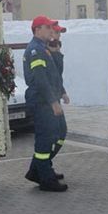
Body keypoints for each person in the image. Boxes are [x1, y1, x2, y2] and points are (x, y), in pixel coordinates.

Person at [23, 15, 67, 192]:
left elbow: (53, 75)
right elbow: (41, 79)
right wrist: (52, 102)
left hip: (47, 100)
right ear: (37, 29)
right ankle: (46, 179)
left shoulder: (43, 48)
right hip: (42, 102)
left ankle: (38, 171)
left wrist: (60, 93)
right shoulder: (36, 50)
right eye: (47, 28)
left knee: (55, 134)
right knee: (45, 140)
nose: (51, 31)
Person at [47, 22, 70, 176]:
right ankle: (43, 167)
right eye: (57, 33)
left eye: (60, 34)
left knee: (61, 133)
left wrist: (62, 92)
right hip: (49, 101)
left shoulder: (55, 51)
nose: (59, 36)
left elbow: (57, 76)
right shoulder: (46, 52)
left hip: (56, 97)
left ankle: (45, 165)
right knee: (54, 134)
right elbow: (47, 77)